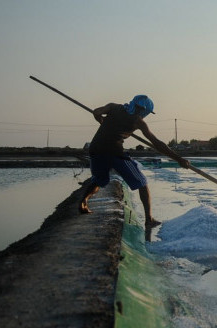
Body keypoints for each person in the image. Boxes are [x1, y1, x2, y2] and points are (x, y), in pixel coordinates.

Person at [78, 95, 190, 241]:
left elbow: (96, 112)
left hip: (95, 148)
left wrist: (102, 122)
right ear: (143, 110)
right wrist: (179, 159)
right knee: (142, 182)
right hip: (114, 152)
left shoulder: (113, 106)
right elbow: (157, 143)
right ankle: (149, 219)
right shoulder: (138, 121)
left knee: (100, 180)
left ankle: (83, 201)